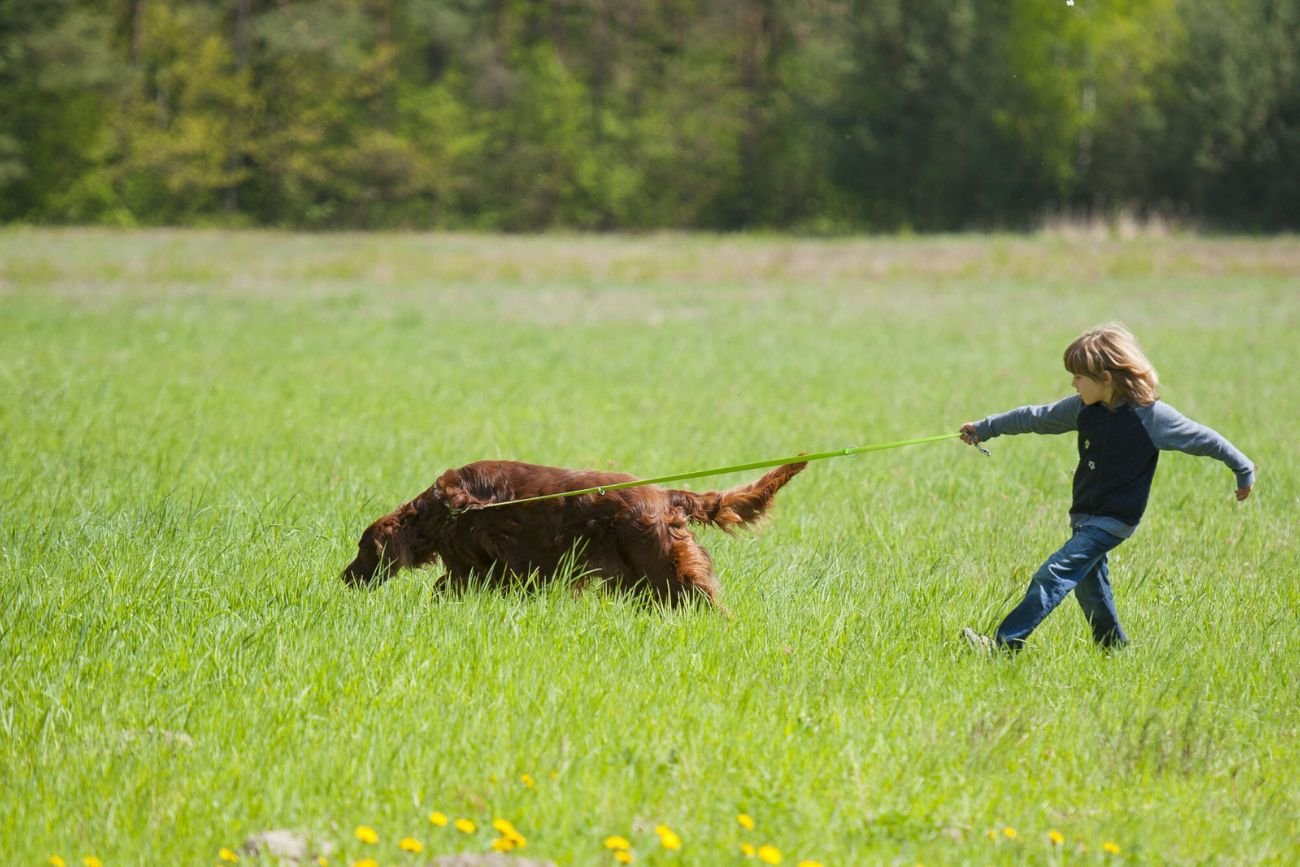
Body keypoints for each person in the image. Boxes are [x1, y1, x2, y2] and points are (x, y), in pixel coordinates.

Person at [958, 323, 1254, 653]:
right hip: (1084, 514)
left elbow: (1204, 439)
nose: (1073, 382)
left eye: (1079, 376)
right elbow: (1034, 417)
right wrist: (985, 428)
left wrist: (1243, 469)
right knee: (1090, 589)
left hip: (1113, 519)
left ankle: (1004, 645)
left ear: (1106, 378)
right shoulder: (1083, 408)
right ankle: (1114, 650)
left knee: (1053, 574)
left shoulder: (1153, 418)